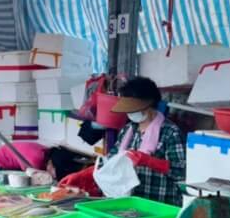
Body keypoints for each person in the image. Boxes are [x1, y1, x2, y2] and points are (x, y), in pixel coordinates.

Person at [60, 76, 186, 205]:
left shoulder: (170, 132)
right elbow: (111, 162)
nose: (130, 113)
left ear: (149, 105)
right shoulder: (128, 130)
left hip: (160, 205)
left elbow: (181, 172)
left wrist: (149, 161)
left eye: (133, 108)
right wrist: (85, 174)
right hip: (130, 205)